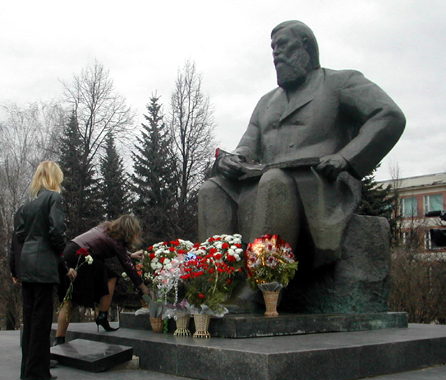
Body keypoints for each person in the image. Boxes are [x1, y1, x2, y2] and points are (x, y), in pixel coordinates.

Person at [198, 20, 406, 268]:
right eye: (273, 47)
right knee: (212, 189)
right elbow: (248, 146)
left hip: (320, 185)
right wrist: (234, 159)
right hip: (263, 183)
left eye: (283, 45)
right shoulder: (266, 102)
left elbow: (389, 116)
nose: (276, 53)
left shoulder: (340, 82)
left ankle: (262, 283)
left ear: (305, 45)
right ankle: (216, 281)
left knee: (274, 181)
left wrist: (346, 158)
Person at [16, 161, 75, 380]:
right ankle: (38, 371)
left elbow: (20, 234)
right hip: (44, 265)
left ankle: (27, 369)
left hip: (27, 264)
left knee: (30, 317)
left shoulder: (28, 203)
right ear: (54, 177)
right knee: (41, 319)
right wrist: (59, 251)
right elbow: (57, 231)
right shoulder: (53, 198)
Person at [55, 214, 150, 344]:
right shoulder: (116, 240)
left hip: (69, 252)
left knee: (70, 298)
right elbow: (128, 266)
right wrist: (143, 287)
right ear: (129, 232)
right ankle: (102, 316)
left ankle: (59, 339)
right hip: (81, 256)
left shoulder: (105, 228)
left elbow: (117, 250)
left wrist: (130, 254)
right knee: (109, 279)